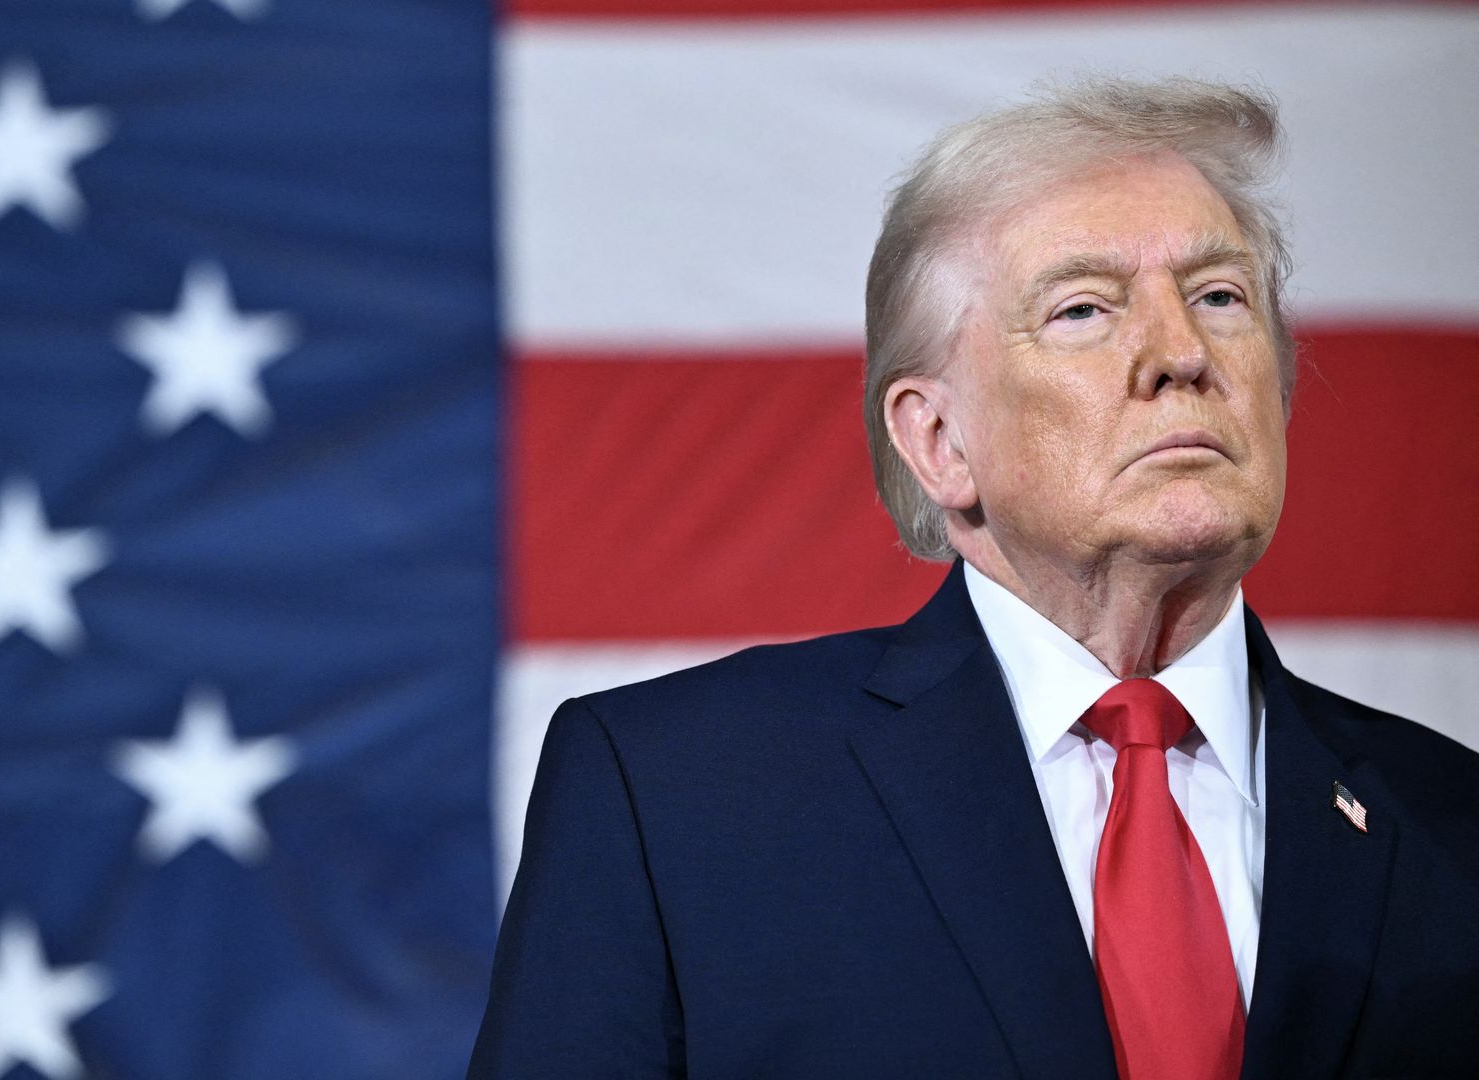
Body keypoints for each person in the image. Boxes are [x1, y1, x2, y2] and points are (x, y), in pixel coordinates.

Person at [468, 77, 1479, 1079]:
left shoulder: (1450, 822)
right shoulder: (678, 798)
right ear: (940, 440)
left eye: (1220, 297)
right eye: (1085, 309)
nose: (1182, 354)